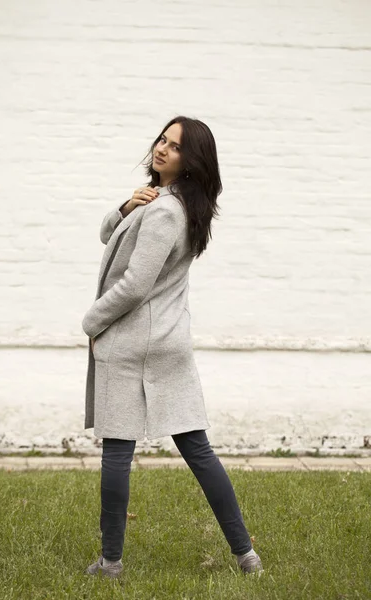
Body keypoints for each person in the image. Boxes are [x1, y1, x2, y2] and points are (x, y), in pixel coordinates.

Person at [81, 116, 264, 579]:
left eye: (176, 146)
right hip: (168, 340)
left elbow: (136, 284)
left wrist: (92, 320)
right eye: (162, 139)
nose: (162, 149)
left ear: (192, 160)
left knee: (118, 453)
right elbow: (107, 234)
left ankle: (111, 563)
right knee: (199, 452)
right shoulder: (174, 204)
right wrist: (126, 207)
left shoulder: (164, 211)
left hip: (133, 344)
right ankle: (246, 556)